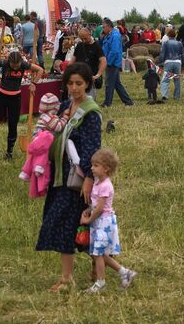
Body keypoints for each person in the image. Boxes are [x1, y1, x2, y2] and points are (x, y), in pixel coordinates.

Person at [36, 62, 103, 292]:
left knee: (77, 224)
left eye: (79, 84)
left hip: (78, 178)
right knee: (71, 225)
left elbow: (93, 148)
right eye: (70, 83)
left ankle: (72, 276)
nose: (74, 88)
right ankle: (88, 268)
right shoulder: (64, 106)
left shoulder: (91, 113)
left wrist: (89, 178)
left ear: (87, 84)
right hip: (59, 175)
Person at [79, 148, 137, 294]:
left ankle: (101, 282)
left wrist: (89, 219)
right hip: (98, 221)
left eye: (96, 165)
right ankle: (125, 272)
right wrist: (87, 210)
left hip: (103, 222)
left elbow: (99, 209)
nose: (92, 168)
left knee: (98, 254)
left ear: (106, 169)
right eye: (92, 165)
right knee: (100, 253)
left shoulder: (105, 186)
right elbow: (95, 204)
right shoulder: (98, 183)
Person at [0, 51, 44, 160]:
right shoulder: (4, 63)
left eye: (17, 65)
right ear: (9, 62)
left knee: (13, 123)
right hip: (0, 95)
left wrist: (34, 83)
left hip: (15, 98)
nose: (15, 68)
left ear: (21, 62)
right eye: (13, 65)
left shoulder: (24, 64)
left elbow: (40, 70)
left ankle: (9, 152)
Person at [100, 18, 134, 107]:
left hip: (112, 63)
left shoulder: (114, 36)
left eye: (103, 27)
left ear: (108, 27)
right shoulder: (109, 35)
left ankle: (107, 103)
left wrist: (107, 62)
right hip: (112, 62)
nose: (102, 29)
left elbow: (114, 51)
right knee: (116, 84)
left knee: (109, 83)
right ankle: (128, 102)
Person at [70, 27, 106, 100]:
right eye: (81, 39)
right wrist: (67, 71)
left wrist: (97, 75)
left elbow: (103, 61)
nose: (83, 40)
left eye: (85, 38)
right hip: (78, 77)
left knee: (89, 101)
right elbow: (72, 60)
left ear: (90, 34)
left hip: (90, 79)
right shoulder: (79, 46)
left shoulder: (96, 46)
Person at [158, 28, 184, 101]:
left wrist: (160, 64)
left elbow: (162, 54)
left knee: (165, 80)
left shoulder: (166, 43)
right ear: (175, 35)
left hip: (168, 62)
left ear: (168, 35)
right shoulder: (179, 43)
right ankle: (177, 96)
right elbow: (183, 55)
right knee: (177, 80)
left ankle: (164, 95)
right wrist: (183, 65)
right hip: (178, 63)